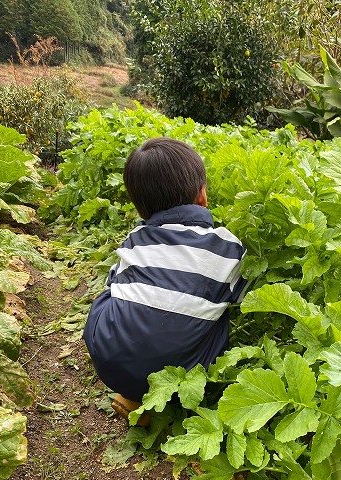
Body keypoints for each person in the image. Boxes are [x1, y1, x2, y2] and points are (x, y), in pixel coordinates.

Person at [83, 136, 247, 421]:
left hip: (109, 363)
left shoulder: (135, 239)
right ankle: (159, 400)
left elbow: (115, 284)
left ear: (140, 208)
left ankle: (132, 395)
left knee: (113, 294)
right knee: (219, 315)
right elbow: (247, 298)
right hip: (179, 377)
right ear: (202, 195)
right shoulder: (228, 247)